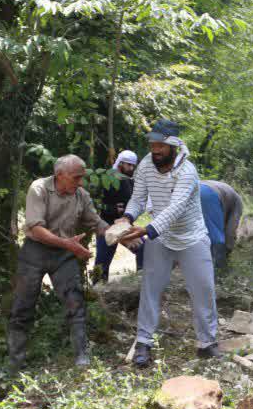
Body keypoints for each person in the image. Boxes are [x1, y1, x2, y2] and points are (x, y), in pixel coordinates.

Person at [117, 119, 221, 366]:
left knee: (203, 291)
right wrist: (127, 217)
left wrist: (146, 230)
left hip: (191, 237)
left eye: (160, 145)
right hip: (160, 238)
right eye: (152, 144)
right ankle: (143, 343)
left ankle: (207, 343)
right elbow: (138, 198)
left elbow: (176, 208)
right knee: (150, 289)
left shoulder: (188, 171)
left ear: (173, 145)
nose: (155, 149)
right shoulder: (144, 165)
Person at [9, 155, 108, 370]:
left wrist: (122, 234)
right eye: (76, 178)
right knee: (22, 306)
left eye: (82, 177)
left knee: (75, 301)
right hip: (35, 251)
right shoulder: (39, 188)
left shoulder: (81, 195)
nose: (80, 182)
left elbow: (96, 223)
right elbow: (36, 228)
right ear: (59, 175)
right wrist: (68, 244)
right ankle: (15, 362)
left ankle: (82, 356)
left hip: (63, 255)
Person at [92, 151, 141, 283]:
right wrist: (111, 208)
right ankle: (96, 296)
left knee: (144, 250)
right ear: (120, 163)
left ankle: (141, 285)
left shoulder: (130, 180)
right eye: (128, 165)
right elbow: (93, 203)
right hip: (106, 226)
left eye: (133, 165)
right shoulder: (106, 179)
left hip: (124, 226)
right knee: (101, 266)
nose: (131, 168)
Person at [200, 179, 243, 271]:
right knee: (217, 237)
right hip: (208, 193)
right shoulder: (238, 202)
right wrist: (228, 250)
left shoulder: (227, 195)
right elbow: (230, 232)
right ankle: (220, 271)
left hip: (193, 188)